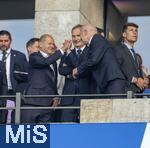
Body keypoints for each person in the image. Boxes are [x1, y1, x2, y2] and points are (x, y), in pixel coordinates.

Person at [21, 34, 70, 123]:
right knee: (27, 133)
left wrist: (56, 96)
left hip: (48, 105)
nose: (52, 46)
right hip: (33, 103)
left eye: (53, 44)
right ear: (40, 45)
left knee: (43, 135)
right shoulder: (34, 56)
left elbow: (52, 81)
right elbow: (45, 62)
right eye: (49, 44)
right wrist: (62, 50)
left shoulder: (53, 62)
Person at [72, 24, 125, 94]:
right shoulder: (94, 43)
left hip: (113, 81)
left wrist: (78, 70)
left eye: (80, 35)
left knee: (114, 104)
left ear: (85, 32)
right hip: (109, 82)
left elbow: (93, 60)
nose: (80, 39)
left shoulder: (97, 39)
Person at [59, 24, 90, 122]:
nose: (76, 39)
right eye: (73, 36)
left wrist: (68, 52)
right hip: (68, 99)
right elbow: (61, 70)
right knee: (65, 131)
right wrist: (73, 72)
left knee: (85, 132)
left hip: (86, 98)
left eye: (78, 35)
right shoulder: (68, 53)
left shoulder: (91, 52)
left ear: (84, 35)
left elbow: (82, 67)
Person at [0, 30, 28, 124]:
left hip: (13, 92)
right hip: (1, 92)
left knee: (13, 119)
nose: (3, 43)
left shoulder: (20, 56)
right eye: (1, 41)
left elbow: (25, 76)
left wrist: (21, 91)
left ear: (10, 41)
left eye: (6, 41)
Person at [114, 23, 149, 93]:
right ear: (124, 34)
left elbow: (136, 74)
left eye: (136, 31)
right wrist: (135, 80)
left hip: (137, 95)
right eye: (131, 30)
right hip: (124, 94)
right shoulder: (117, 49)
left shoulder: (136, 56)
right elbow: (116, 70)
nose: (134, 32)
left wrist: (144, 80)